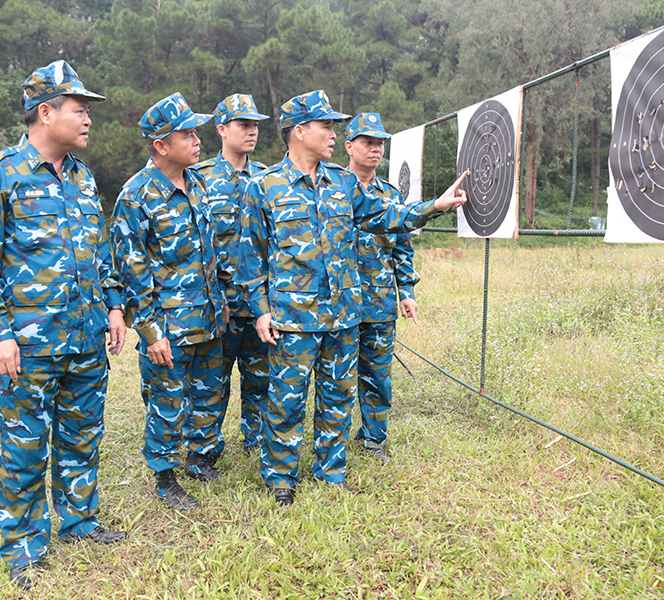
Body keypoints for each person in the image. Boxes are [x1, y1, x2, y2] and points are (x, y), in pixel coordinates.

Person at [236, 90, 468, 505]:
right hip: (294, 317)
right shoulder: (263, 186)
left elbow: (385, 217)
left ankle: (331, 470)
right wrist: (261, 312)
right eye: (326, 126)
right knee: (286, 399)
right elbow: (250, 255)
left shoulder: (342, 183)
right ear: (300, 131)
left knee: (336, 396)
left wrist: (434, 206)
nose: (332, 134)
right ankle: (281, 478)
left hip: (344, 316)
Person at [0, 60, 127, 590]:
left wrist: (115, 308)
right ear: (45, 112)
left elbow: (99, 254)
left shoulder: (82, 178)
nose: (88, 121)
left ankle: (78, 521)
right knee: (25, 448)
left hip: (84, 339)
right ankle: (25, 548)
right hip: (26, 347)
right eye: (79, 110)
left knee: (82, 437)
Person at [110, 93, 228, 510]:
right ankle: (165, 475)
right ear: (161, 145)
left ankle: (199, 456)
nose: (198, 140)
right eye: (188, 133)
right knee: (166, 401)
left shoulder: (197, 183)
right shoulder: (137, 195)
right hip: (169, 327)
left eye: (198, 132)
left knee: (209, 392)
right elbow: (131, 269)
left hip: (209, 317)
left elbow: (209, 251)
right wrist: (151, 331)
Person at [193, 94, 270, 455]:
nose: (251, 131)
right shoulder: (199, 179)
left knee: (261, 379)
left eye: (255, 124)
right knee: (211, 383)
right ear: (222, 129)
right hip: (218, 304)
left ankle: (256, 442)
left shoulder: (269, 179)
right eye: (244, 124)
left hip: (259, 305)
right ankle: (206, 447)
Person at [344, 113, 419, 464]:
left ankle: (374, 440)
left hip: (378, 301)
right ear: (349, 146)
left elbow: (402, 246)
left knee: (377, 374)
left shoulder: (389, 195)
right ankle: (333, 441)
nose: (375, 149)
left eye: (379, 143)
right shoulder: (331, 189)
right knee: (338, 377)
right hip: (338, 303)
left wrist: (407, 291)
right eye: (367, 142)